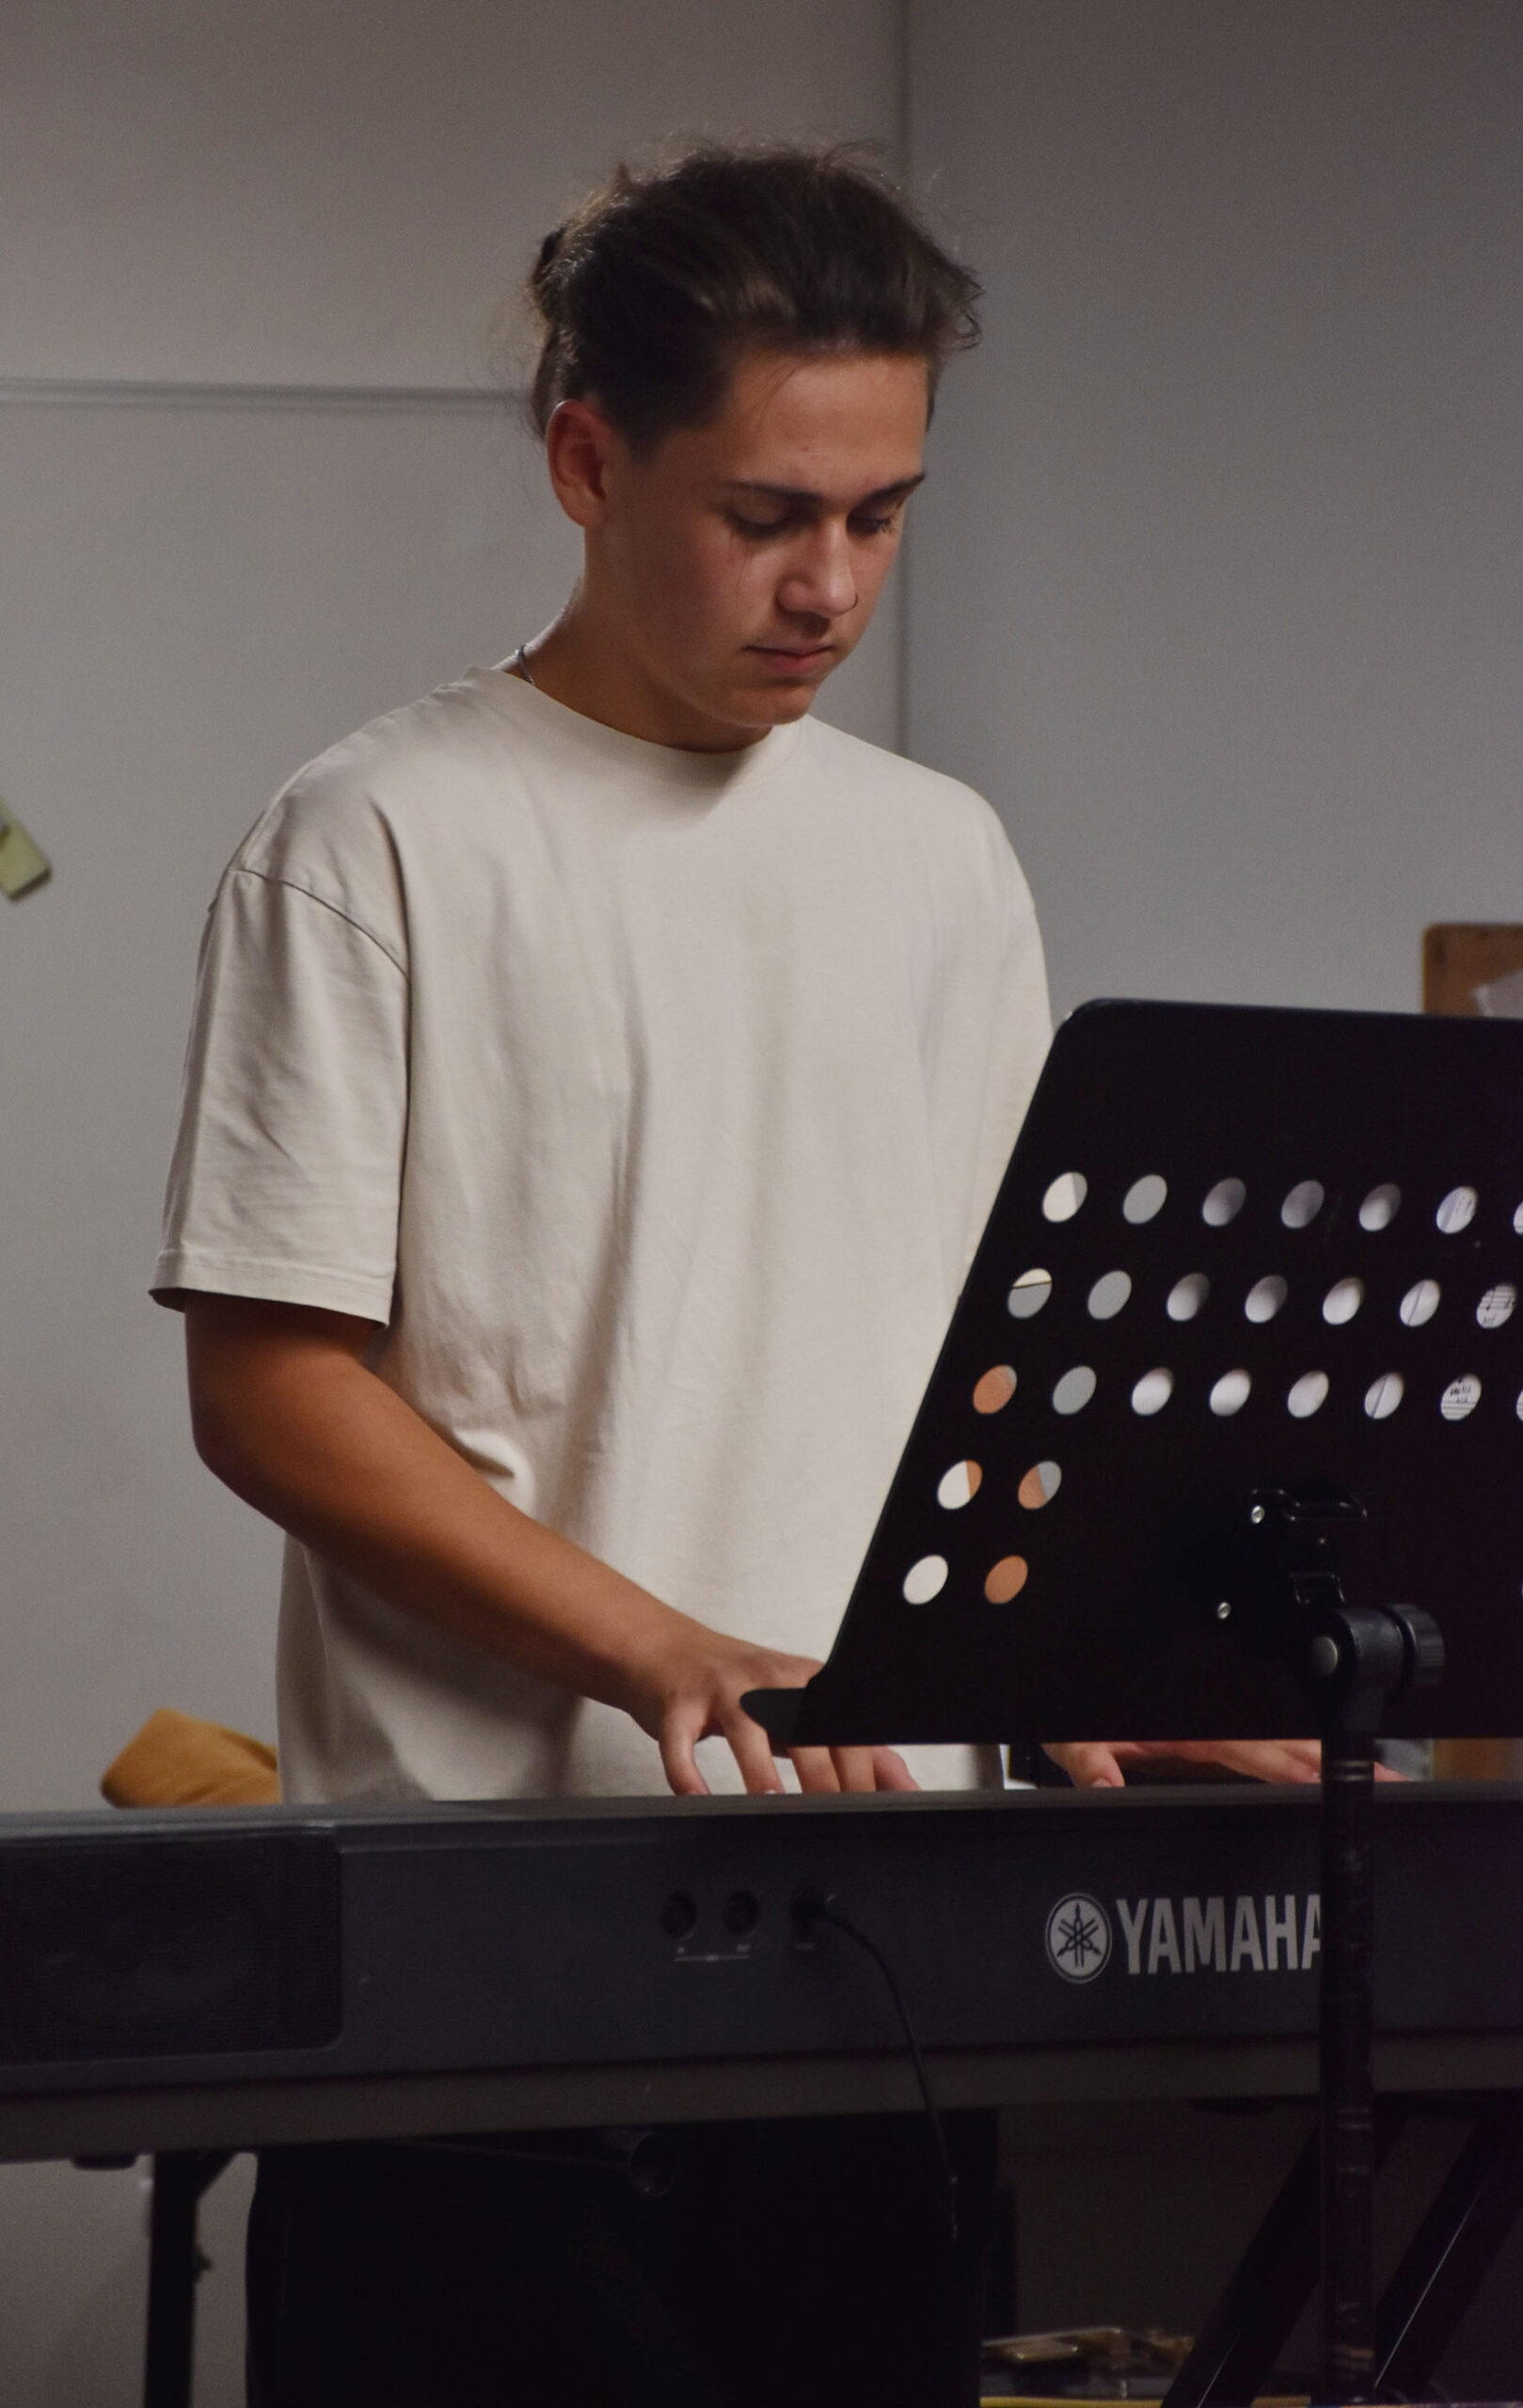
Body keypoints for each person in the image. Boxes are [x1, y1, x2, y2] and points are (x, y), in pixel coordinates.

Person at [156, 142, 1315, 2407]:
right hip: (488, 1976)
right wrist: (659, 1643)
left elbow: (979, 1359)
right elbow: (272, 1384)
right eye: (767, 514)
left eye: (880, 516)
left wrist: (1063, 1647)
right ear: (588, 462)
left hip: (881, 1951)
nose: (828, 585)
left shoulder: (936, 858)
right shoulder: (374, 836)